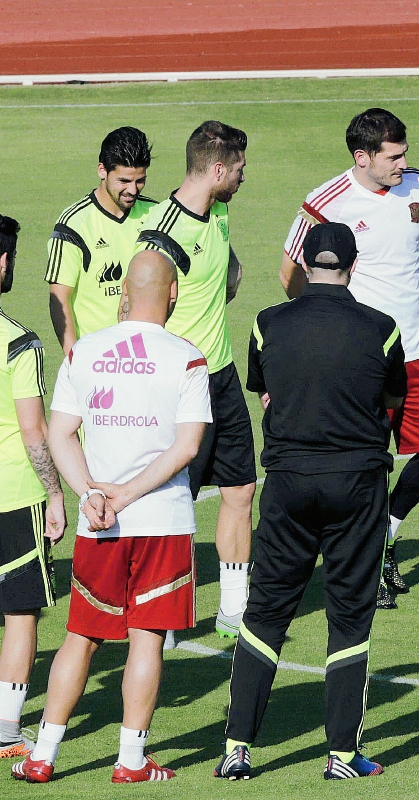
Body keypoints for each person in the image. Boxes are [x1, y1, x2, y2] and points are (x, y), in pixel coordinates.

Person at [217, 223, 405, 780]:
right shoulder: (382, 329)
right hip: (357, 485)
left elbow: (263, 386)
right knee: (349, 617)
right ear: (352, 265)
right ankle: (342, 757)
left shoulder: (267, 324)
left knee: (266, 613)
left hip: (288, 485)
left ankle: (236, 751)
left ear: (303, 261)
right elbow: (393, 397)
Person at [14, 251, 210, 783]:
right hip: (161, 522)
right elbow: (187, 447)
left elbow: (59, 434)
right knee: (147, 638)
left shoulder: (85, 353)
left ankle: (42, 755)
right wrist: (124, 495)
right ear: (172, 294)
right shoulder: (187, 358)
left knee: (81, 635)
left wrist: (89, 494)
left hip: (96, 525)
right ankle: (130, 761)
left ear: (124, 291)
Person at [279, 108, 419, 609]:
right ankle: (364, 569)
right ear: (362, 157)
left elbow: (404, 256)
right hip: (360, 356)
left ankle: (386, 531)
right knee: (366, 464)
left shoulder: (418, 188)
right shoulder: (324, 204)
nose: (404, 163)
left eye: (405, 152)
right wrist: (319, 329)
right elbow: (290, 274)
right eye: (393, 156)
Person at [134, 121, 256, 637]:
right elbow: (137, 311)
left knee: (241, 488)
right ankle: (156, 603)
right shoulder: (162, 235)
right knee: (171, 500)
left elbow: (227, 274)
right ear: (218, 168)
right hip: (179, 385)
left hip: (222, 377)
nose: (245, 178)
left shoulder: (221, 210)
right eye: (241, 169)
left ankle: (234, 607)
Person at [0, 216, 66, 760]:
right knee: (20, 613)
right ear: (3, 263)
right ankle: (4, 730)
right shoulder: (18, 343)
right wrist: (57, 493)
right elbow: (33, 430)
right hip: (13, 496)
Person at [46, 127, 157, 353]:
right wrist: (73, 359)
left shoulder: (157, 215)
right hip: (98, 361)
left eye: (140, 181)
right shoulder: (73, 225)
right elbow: (60, 300)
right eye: (124, 181)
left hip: (150, 360)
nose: (132, 190)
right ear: (102, 171)